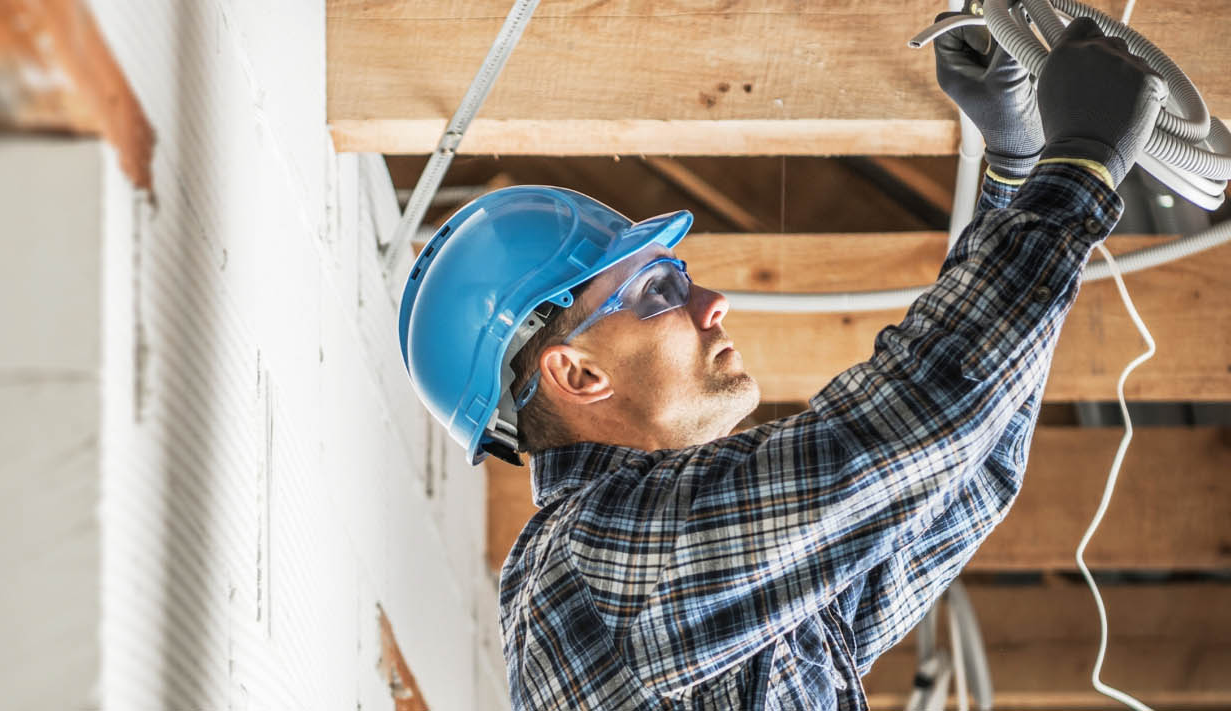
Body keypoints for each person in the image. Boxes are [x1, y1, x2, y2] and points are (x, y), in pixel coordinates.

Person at [394, 17, 1165, 710]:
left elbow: (963, 473)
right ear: (578, 374)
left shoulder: (699, 586)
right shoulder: (595, 567)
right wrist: (1076, 168)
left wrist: (1018, 172)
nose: (713, 301)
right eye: (660, 289)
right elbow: (914, 430)